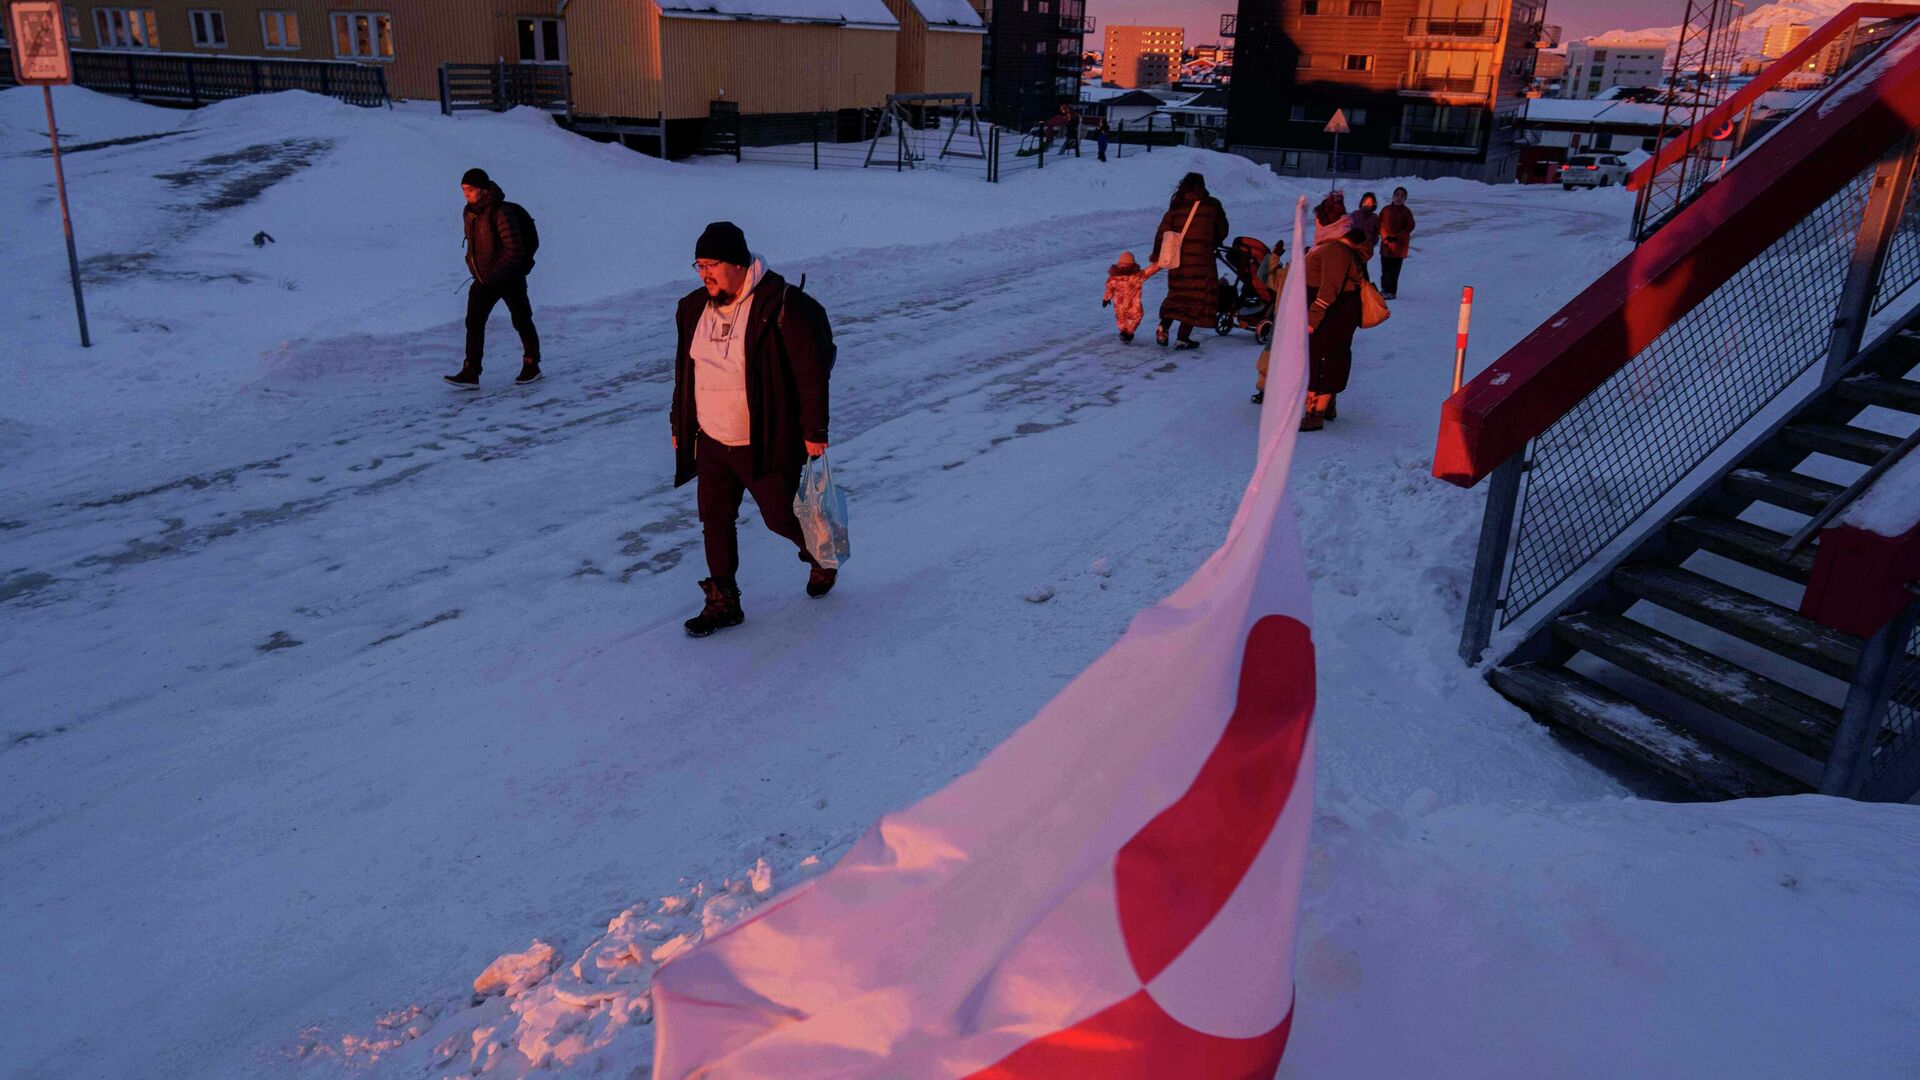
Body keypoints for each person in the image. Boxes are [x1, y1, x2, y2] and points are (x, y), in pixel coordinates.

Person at [670, 222, 836, 638]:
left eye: (712, 264)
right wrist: (680, 422)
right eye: (699, 265)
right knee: (715, 519)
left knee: (780, 517)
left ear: (738, 263)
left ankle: (821, 553)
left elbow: (811, 372)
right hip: (710, 439)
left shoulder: (782, 304)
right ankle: (723, 600)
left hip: (762, 440)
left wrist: (814, 428)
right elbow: (685, 373)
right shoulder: (692, 308)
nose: (704, 273)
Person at [444, 167, 541, 388]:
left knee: (521, 319)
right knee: (474, 322)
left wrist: (497, 272)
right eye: (463, 189)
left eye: (470, 189)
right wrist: (473, 266)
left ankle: (532, 364)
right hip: (484, 279)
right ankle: (471, 372)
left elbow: (514, 248)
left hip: (508, 278)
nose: (466, 193)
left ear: (484, 190)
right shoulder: (469, 212)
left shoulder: (501, 212)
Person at [1302, 196, 1367, 430]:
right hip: (1337, 310)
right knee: (1330, 356)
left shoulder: (1334, 247)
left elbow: (1329, 287)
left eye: (1317, 220)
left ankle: (1314, 413)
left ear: (1325, 222)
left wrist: (1314, 317)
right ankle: (1327, 406)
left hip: (1333, 312)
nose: (1316, 225)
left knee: (1321, 359)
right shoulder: (1334, 242)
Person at [1149, 172, 1230, 350]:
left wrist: (1156, 253)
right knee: (1195, 299)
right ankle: (1183, 338)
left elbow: (1161, 233)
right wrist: (1213, 240)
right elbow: (1222, 230)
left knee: (1177, 296)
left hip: (1177, 261)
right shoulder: (1212, 205)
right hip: (1202, 263)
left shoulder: (1176, 207)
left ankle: (1163, 326)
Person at [1251, 239, 1287, 404]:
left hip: (1295, 323)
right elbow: (1264, 275)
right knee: (1270, 357)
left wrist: (1275, 256)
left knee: (1275, 357)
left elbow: (1264, 275)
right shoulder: (1288, 274)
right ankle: (1266, 390)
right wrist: (1274, 256)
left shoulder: (1292, 274)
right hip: (1284, 322)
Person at [1103, 251, 1157, 342]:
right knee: (1136, 316)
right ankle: (1127, 333)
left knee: (1121, 318)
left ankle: (1123, 332)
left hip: (1119, 304)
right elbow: (1150, 270)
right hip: (1133, 304)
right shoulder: (1137, 276)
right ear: (1132, 263)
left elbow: (1109, 288)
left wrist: (1106, 298)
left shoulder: (1113, 277)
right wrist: (1160, 264)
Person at [1378, 186, 1416, 300]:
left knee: (1393, 271)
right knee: (1385, 270)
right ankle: (1384, 289)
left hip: (1398, 248)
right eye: (1397, 195)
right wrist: (1385, 236)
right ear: (1393, 196)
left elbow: (1409, 227)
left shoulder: (1406, 212)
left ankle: (1391, 291)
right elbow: (1380, 224)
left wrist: (1396, 237)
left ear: (1405, 199)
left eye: (1402, 196)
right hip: (1386, 246)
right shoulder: (1386, 210)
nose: (1399, 198)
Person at [1348, 191, 1381, 262]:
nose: (1366, 205)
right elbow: (1347, 227)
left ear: (1373, 204)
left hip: (1365, 248)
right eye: (1365, 202)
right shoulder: (1355, 214)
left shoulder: (1374, 218)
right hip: (1352, 246)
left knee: (1362, 266)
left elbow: (1376, 232)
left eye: (1369, 203)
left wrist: (1371, 243)